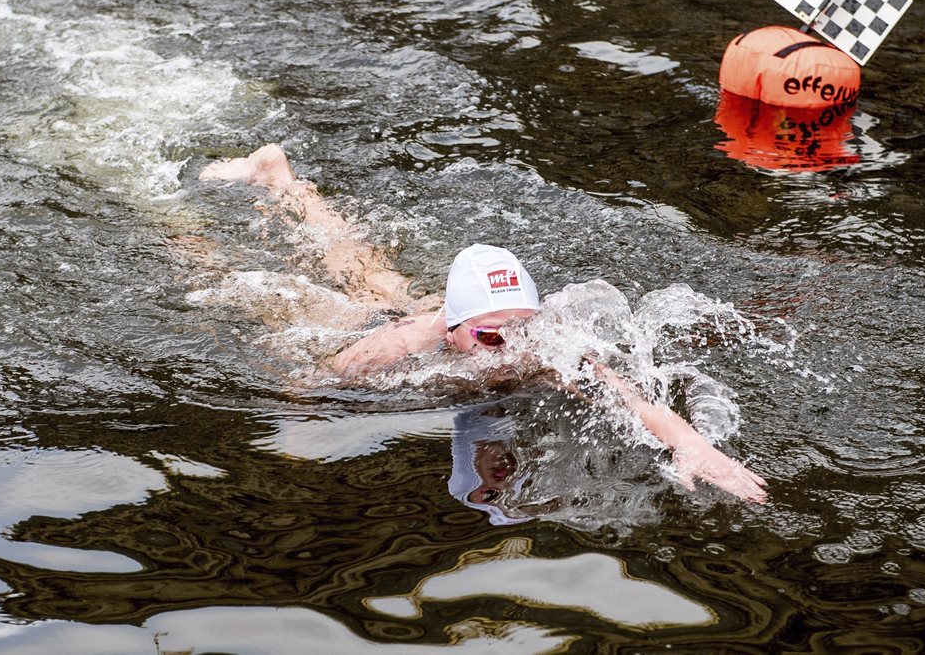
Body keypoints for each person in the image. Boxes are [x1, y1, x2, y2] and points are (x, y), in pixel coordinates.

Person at [201, 144, 768, 502]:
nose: (511, 348)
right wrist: (299, 428)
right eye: (492, 335)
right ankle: (273, 187)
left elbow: (629, 399)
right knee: (333, 273)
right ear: (453, 330)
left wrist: (693, 446)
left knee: (367, 267)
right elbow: (313, 381)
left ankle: (280, 177)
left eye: (523, 328)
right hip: (379, 320)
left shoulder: (540, 345)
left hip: (440, 309)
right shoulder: (399, 344)